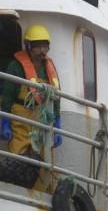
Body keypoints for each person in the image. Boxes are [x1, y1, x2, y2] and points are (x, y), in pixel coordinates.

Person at [0, 25, 62, 189]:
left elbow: (56, 96)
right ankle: (13, 188)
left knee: (44, 156)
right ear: (29, 46)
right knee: (17, 152)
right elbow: (7, 96)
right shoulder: (16, 67)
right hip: (21, 115)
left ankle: (42, 192)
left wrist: (57, 123)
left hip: (42, 117)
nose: (43, 50)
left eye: (45, 46)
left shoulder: (48, 69)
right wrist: (5, 120)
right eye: (38, 46)